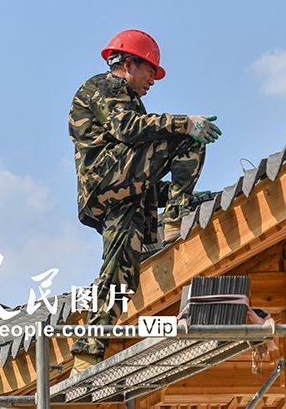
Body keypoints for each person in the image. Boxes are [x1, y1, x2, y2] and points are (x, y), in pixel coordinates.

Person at [67, 29, 221, 371]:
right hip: (109, 175)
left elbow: (142, 168)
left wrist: (182, 192)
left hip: (117, 188)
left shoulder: (126, 96)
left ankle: (88, 349)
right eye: (150, 70)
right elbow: (126, 128)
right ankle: (174, 219)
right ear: (130, 64)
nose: (153, 79)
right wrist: (185, 123)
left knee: (121, 269)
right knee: (188, 139)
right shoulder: (106, 85)